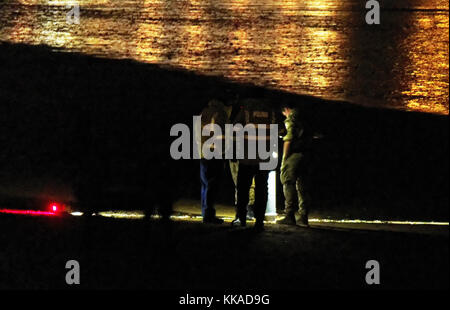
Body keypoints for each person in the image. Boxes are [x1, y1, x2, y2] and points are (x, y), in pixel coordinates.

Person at [231, 98, 277, 231]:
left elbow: (235, 128)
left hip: (247, 156)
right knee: (262, 189)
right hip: (264, 157)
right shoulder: (271, 111)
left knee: (243, 188)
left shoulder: (246, 110)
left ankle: (242, 218)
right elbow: (280, 129)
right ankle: (259, 221)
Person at [277, 103, 313, 227]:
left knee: (288, 182)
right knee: (303, 186)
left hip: (294, 155)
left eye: (284, 114)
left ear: (286, 109)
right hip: (307, 154)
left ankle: (289, 215)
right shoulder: (305, 117)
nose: (285, 116)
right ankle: (303, 217)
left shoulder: (292, 118)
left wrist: (284, 159)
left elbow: (289, 138)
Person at [199, 99, 232, 224]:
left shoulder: (204, 112)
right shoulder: (220, 113)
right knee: (212, 184)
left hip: (203, 152)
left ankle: (205, 212)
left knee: (205, 183)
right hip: (215, 152)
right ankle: (209, 215)